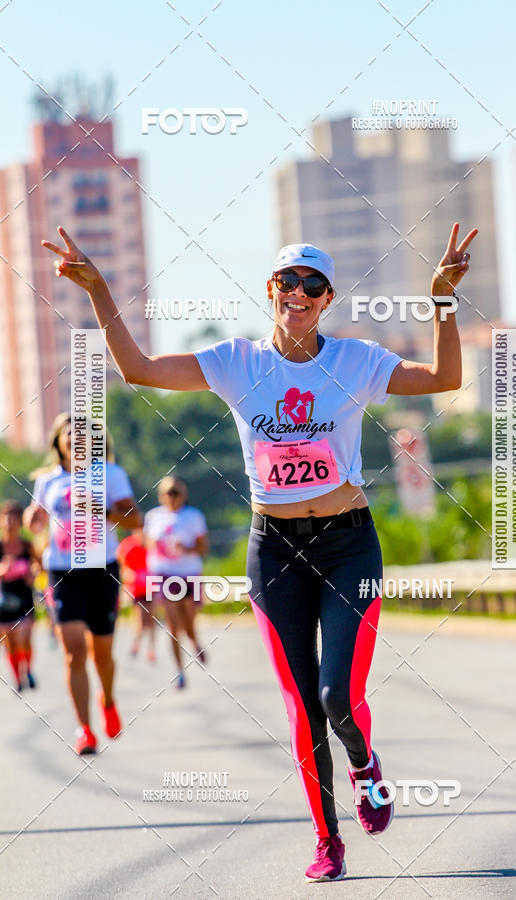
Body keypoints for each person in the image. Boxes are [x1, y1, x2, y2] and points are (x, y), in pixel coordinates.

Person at [41, 223, 476, 880]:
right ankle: (327, 841)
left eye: (313, 285)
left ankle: (363, 763)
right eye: (287, 282)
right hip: (273, 551)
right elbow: (137, 370)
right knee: (301, 705)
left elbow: (445, 377)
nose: (298, 293)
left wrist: (441, 299)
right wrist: (101, 290)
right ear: (270, 291)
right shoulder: (235, 362)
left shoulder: (357, 361)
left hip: (348, 547)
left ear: (327, 299)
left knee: (336, 695)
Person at [23, 413, 141, 754]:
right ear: (58, 443)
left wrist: (101, 510)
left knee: (101, 655)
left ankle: (107, 699)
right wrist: (34, 519)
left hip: (102, 569)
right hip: (61, 572)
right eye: (68, 436)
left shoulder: (112, 475)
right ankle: (85, 730)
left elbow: (134, 520)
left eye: (82, 436)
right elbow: (37, 521)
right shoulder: (48, 481)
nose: (76, 441)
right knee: (74, 653)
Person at [144, 476, 209, 688]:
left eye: (175, 492)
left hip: (188, 573)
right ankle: (179, 671)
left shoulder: (193, 516)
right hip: (164, 573)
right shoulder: (154, 517)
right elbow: (148, 544)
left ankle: (194, 641)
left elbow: (203, 548)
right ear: (161, 495)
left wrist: (186, 548)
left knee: (187, 620)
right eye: (167, 493)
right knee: (172, 624)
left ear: (184, 495)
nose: (171, 497)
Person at [0, 500, 37, 691]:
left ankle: (28, 669)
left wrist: (32, 572)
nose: (10, 522)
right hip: (4, 600)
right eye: (6, 517)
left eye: (14, 518)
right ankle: (18, 678)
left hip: (25, 598)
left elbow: (39, 564)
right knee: (12, 643)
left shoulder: (26, 545)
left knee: (26, 638)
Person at [116, 528, 156, 663]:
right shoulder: (127, 545)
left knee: (152, 618)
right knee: (140, 619)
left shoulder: (151, 544)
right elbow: (121, 564)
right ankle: (136, 645)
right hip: (136, 588)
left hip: (151, 585)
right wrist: (128, 574)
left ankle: (151, 648)